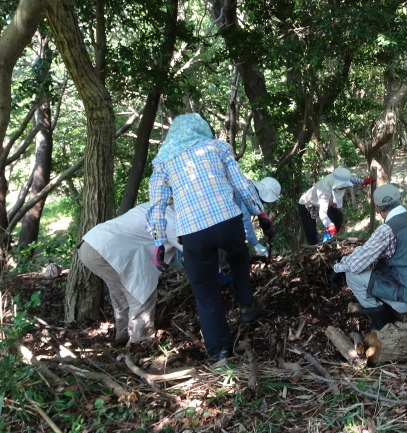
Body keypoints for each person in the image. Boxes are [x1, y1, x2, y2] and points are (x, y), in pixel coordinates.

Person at [146, 113, 269, 363]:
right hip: (227, 220)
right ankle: (246, 303)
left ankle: (220, 350)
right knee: (238, 256)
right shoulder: (217, 147)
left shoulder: (163, 162)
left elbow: (156, 205)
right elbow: (241, 185)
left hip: (194, 231)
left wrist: (158, 241)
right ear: (202, 128)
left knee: (204, 290)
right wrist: (261, 212)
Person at [330, 184, 407, 331]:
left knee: (352, 275)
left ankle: (381, 324)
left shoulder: (387, 229)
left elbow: (357, 263)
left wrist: (337, 268)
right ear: (400, 200)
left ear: (378, 209)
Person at [78, 203, 181, 346]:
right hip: (107, 251)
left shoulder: (153, 205)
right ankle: (139, 343)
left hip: (90, 245)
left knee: (119, 293)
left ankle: (122, 336)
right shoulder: (170, 216)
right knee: (142, 293)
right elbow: (190, 247)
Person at [297, 167, 373, 244]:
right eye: (342, 186)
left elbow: (350, 179)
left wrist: (363, 182)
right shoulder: (324, 191)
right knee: (312, 236)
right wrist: (329, 225)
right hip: (307, 205)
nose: (344, 188)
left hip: (324, 202)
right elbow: (322, 213)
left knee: (338, 217)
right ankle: (315, 248)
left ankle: (327, 239)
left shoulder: (339, 177)